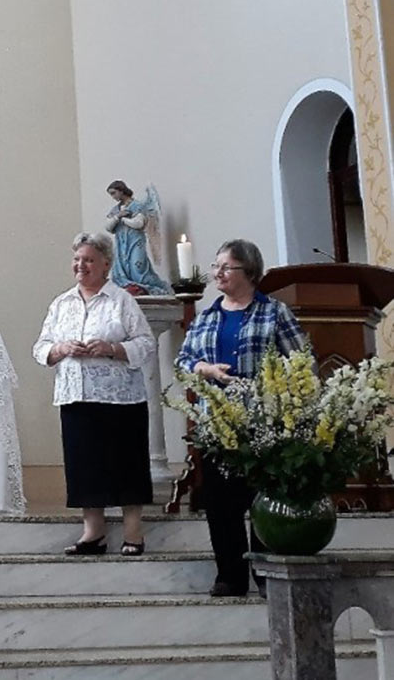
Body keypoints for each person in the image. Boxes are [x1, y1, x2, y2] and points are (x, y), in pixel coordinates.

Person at [176, 239, 310, 597]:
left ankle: (266, 574)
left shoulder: (274, 313)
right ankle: (230, 575)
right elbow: (183, 361)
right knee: (220, 504)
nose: (217, 273)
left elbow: (302, 361)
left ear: (249, 272)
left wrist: (274, 388)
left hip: (263, 423)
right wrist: (204, 369)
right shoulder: (207, 317)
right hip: (217, 426)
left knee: (262, 500)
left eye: (226, 267)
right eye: (216, 266)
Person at [33, 232, 156, 557]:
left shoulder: (121, 301)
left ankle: (133, 532)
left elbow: (146, 343)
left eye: (88, 260)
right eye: (77, 259)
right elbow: (40, 347)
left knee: (127, 462)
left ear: (105, 265)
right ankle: (94, 532)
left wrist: (112, 348)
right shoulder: (62, 303)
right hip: (76, 396)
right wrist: (61, 349)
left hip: (120, 398)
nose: (80, 265)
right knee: (84, 464)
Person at [104, 180, 170, 296]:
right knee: (122, 269)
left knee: (138, 267)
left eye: (114, 193)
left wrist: (124, 220)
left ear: (121, 191)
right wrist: (118, 216)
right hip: (121, 244)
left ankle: (154, 287)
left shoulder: (137, 206)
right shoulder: (116, 209)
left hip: (135, 242)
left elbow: (139, 223)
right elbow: (108, 227)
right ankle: (130, 287)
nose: (113, 197)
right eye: (111, 194)